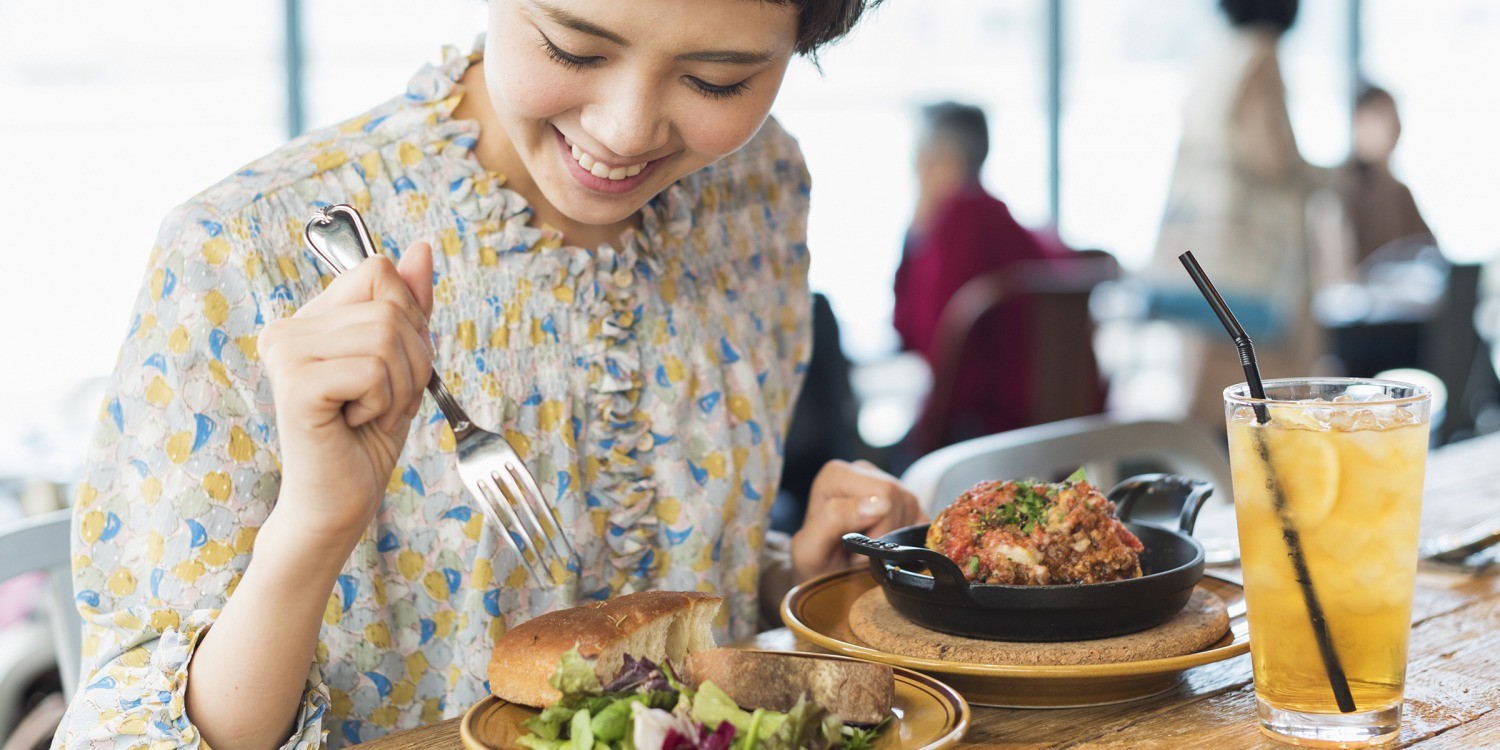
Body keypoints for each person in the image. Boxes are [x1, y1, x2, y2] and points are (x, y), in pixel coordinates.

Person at [55, 2, 926, 748]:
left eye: (717, 80)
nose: (624, 132)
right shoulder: (240, 248)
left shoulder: (757, 185)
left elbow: (657, 576)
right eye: (574, 49)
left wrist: (789, 574)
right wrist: (316, 525)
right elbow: (126, 727)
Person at [1145, 0, 1339, 429]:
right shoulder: (1260, 55)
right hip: (1254, 266)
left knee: (1210, 396)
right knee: (1263, 407)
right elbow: (1273, 155)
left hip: (1211, 257)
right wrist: (1332, 177)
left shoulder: (1218, 53)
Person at [892, 101, 1066, 447]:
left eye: (921, 162)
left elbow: (920, 334)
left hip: (986, 425)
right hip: (1044, 412)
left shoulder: (961, 221)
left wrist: (914, 237)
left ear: (946, 161)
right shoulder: (998, 216)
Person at [1335, 84, 1432, 266]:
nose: (1390, 128)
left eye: (1391, 119)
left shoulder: (1400, 192)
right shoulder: (1343, 190)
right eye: (1377, 119)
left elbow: (1427, 251)